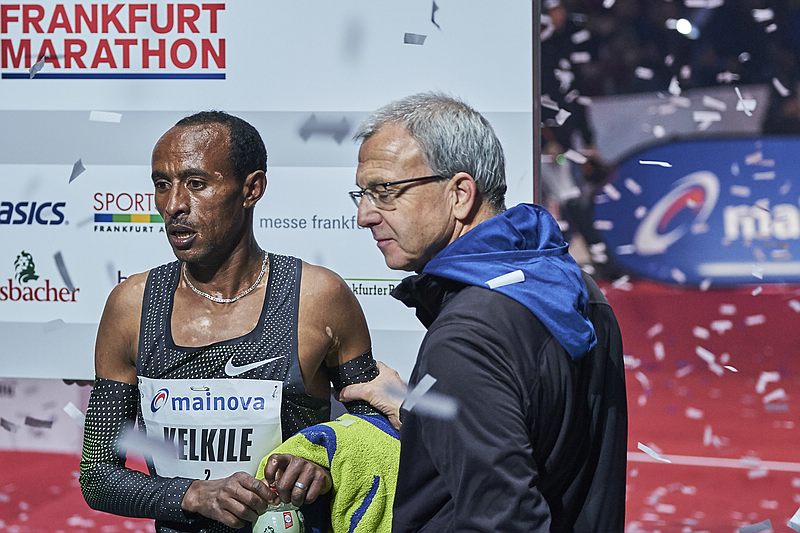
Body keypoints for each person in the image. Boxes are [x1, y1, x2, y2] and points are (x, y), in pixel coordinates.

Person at [79, 111, 381, 533]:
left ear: (251, 188)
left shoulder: (318, 298)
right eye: (162, 185)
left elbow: (376, 433)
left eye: (196, 184)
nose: (174, 205)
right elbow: (97, 476)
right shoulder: (132, 306)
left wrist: (325, 460)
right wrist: (192, 494)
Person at [338, 93, 628, 531]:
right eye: (362, 193)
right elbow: (534, 432)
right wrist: (412, 405)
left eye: (385, 191)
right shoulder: (573, 287)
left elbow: (504, 521)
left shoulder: (466, 338)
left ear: (459, 194)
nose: (364, 215)